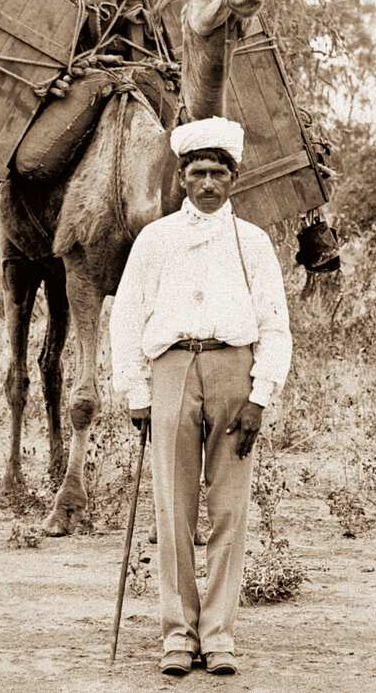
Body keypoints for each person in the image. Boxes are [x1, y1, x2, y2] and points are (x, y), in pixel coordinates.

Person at [109, 116, 292, 676]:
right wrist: (135, 389)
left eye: (218, 173)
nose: (208, 183)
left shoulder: (253, 243)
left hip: (233, 370)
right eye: (197, 173)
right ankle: (177, 635)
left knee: (230, 509)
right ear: (183, 178)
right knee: (173, 507)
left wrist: (261, 396)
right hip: (170, 371)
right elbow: (125, 315)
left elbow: (275, 324)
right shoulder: (156, 238)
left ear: (233, 178)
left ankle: (218, 636)